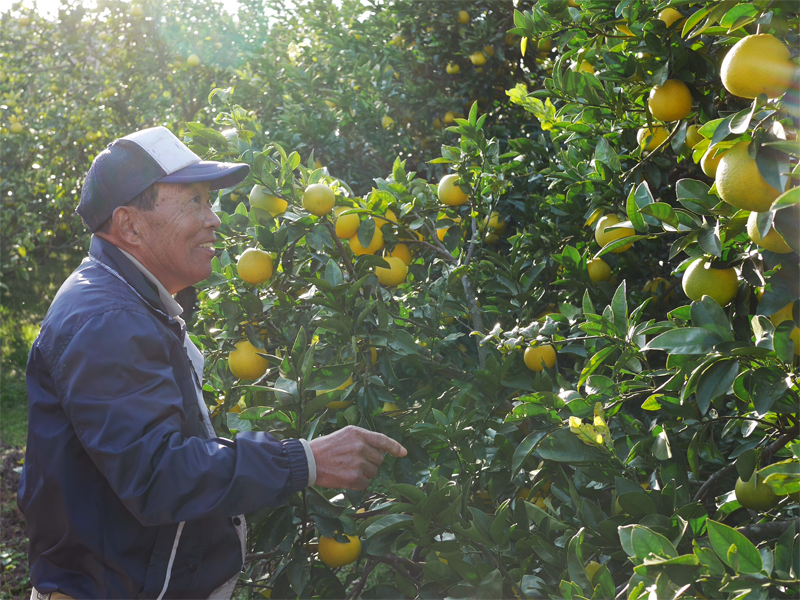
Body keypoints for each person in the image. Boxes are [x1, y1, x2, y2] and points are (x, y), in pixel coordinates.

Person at [18, 126, 406, 600]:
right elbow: (157, 474)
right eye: (195, 201)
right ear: (130, 224)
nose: (214, 220)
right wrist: (304, 461)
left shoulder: (127, 302)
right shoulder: (109, 320)